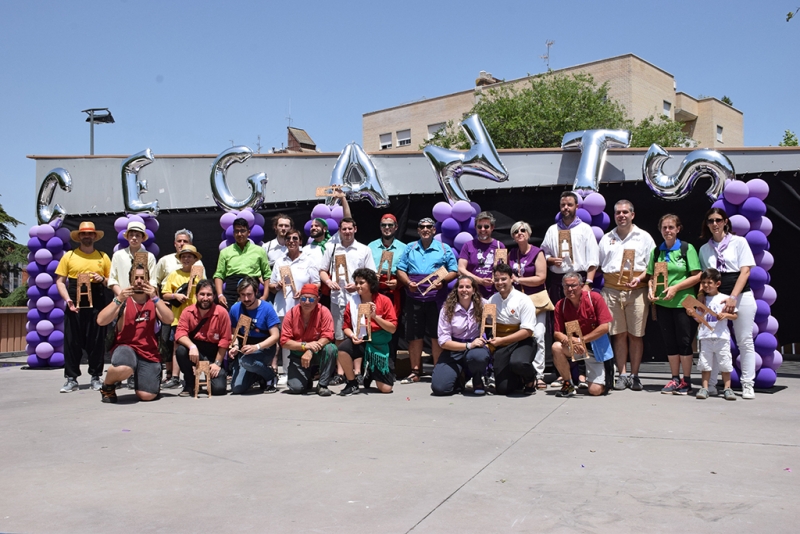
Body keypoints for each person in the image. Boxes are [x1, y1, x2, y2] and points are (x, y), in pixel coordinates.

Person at [698, 208, 757, 400]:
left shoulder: (739, 242)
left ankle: (748, 384)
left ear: (725, 222)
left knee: (744, 340)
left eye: (718, 220)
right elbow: (704, 278)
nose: (714, 224)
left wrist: (733, 297)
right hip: (714, 298)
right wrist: (701, 298)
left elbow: (745, 271)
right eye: (710, 221)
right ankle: (712, 384)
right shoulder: (705, 249)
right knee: (713, 340)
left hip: (739, 295)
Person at [597, 200, 656, 392]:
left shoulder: (644, 237)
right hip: (612, 290)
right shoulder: (607, 238)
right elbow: (597, 264)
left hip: (637, 291)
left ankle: (635, 375)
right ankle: (621, 374)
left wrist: (639, 279)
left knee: (636, 334)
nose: (621, 215)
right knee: (618, 334)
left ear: (633, 215)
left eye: (625, 212)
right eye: (618, 213)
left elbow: (652, 267)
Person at [97, 263, 174, 403]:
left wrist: (155, 298)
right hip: (126, 348)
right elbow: (101, 321)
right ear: (131, 279)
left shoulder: (154, 301)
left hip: (148, 351)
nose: (139, 281)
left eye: (142, 278)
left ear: (148, 280)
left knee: (147, 396)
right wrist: (118, 299)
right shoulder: (123, 301)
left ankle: (142, 377)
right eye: (136, 277)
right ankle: (107, 386)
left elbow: (169, 319)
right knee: (124, 368)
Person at [395, 217, 458, 383]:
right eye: (422, 227)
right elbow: (400, 269)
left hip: (436, 298)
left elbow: (454, 270)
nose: (425, 229)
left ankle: (437, 370)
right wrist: (408, 282)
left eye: (429, 227)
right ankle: (415, 371)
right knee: (414, 335)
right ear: (418, 230)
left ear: (434, 230)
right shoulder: (410, 247)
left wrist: (443, 281)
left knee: (437, 334)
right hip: (414, 297)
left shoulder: (444, 248)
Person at [647, 214, 702, 395]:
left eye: (671, 227)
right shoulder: (657, 252)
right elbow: (651, 277)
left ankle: (686, 381)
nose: (668, 231)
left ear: (678, 229)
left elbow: (697, 276)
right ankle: (674, 378)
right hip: (663, 305)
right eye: (664, 228)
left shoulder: (687, 249)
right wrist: (650, 290)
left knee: (684, 343)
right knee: (669, 343)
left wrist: (675, 288)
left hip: (684, 304)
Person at [54, 221, 111, 393]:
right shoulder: (69, 256)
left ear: (94, 236)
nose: (87, 236)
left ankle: (95, 377)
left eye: (90, 234)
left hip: (97, 299)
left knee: (96, 340)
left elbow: (111, 282)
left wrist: (102, 279)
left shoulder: (103, 257)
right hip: (74, 301)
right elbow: (59, 281)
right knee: (72, 341)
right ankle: (71, 379)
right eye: (84, 234)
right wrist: (67, 300)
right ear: (79, 237)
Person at [153, 229, 205, 386]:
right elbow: (165, 294)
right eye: (184, 256)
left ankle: (196, 376)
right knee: (176, 345)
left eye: (189, 256)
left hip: (196, 315)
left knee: (196, 345)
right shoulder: (174, 274)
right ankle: (175, 377)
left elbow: (205, 291)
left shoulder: (199, 272)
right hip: (178, 315)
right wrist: (176, 296)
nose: (186, 258)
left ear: (195, 258)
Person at [551, 271, 614, 397]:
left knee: (595, 391)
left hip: (596, 348)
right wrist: (571, 341)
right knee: (556, 347)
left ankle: (607, 374)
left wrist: (582, 340)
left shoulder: (594, 298)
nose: (570, 289)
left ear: (581, 285)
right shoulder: (560, 305)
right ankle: (568, 385)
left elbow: (604, 327)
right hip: (576, 346)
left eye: (573, 285)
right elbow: (557, 333)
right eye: (566, 286)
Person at [269, 227, 320, 384]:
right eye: (289, 239)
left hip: (304, 307)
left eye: (295, 238)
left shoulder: (308, 261)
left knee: (304, 337)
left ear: (301, 241)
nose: (291, 241)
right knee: (286, 340)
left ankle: (307, 370)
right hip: (283, 307)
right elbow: (270, 285)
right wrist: (277, 285)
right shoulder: (279, 261)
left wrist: (304, 292)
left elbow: (317, 283)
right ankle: (286, 371)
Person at [337, 268, 398, 396]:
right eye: (356, 282)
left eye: (362, 283)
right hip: (361, 339)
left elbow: (392, 328)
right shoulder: (353, 301)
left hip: (379, 344)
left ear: (370, 283)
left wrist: (375, 317)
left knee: (386, 389)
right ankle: (352, 383)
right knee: (343, 349)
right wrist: (353, 336)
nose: (358, 286)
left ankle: (370, 372)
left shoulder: (384, 300)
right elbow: (346, 327)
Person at [319, 217, 376, 347]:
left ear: (355, 229)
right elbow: (322, 270)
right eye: (344, 229)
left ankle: (357, 367)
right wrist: (329, 282)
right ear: (339, 230)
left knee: (361, 334)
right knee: (339, 335)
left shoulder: (364, 249)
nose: (347, 231)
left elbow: (371, 275)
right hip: (337, 299)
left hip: (359, 299)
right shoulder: (331, 248)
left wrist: (357, 287)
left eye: (350, 228)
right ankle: (340, 367)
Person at [431, 276, 491, 396]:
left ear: (473, 290)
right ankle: (461, 376)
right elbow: (443, 341)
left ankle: (477, 378)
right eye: (461, 287)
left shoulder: (484, 304)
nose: (464, 290)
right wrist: (468, 345)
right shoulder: (447, 308)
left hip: (476, 347)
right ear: (456, 290)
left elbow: (493, 323)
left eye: (468, 287)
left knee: (479, 356)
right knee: (440, 388)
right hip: (454, 348)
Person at [508, 220, 548, 389]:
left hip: (535, 300)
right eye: (516, 231)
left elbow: (541, 277)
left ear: (529, 233)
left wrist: (518, 279)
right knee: (520, 336)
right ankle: (523, 372)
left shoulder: (538, 253)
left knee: (538, 334)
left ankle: (538, 374)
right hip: (516, 301)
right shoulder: (511, 253)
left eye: (523, 230)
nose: (519, 233)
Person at [487, 263, 538, 395]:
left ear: (511, 279)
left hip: (523, 341)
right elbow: (486, 325)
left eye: (503, 279)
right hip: (502, 344)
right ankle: (516, 379)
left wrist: (501, 340)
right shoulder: (491, 300)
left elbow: (527, 331)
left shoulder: (523, 300)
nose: (500, 282)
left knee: (519, 363)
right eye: (497, 279)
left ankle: (530, 378)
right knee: (503, 389)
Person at [174, 279, 230, 397]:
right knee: (181, 350)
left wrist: (217, 363)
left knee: (219, 389)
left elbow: (225, 340)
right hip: (195, 350)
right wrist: (192, 346)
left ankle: (211, 380)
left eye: (209, 295)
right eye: (202, 294)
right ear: (196, 295)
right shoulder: (187, 312)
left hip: (213, 352)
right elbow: (180, 333)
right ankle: (190, 383)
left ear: (214, 296)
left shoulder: (222, 313)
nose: (205, 298)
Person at [280, 284, 338, 396]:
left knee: (331, 348)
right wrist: (305, 346)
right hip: (297, 354)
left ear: (317, 300)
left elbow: (328, 335)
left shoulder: (324, 312)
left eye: (311, 299)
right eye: (303, 298)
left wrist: (310, 350)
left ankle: (322, 384)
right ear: (299, 298)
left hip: (318, 352)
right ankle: (306, 380)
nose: (307, 302)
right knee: (296, 388)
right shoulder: (290, 314)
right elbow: (284, 341)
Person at [541, 191, 599, 301]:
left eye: (569, 205)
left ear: (576, 207)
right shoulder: (552, 230)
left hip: (579, 280)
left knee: (579, 316)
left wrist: (588, 284)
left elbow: (593, 259)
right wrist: (551, 260)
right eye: (563, 205)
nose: (566, 208)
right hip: (557, 282)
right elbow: (543, 254)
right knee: (558, 316)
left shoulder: (585, 229)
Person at [228, 276, 281, 394]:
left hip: (264, 347)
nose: (246, 298)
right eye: (242, 295)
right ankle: (257, 374)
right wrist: (235, 346)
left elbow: (275, 336)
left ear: (256, 292)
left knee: (246, 361)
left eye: (249, 294)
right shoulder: (235, 308)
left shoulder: (267, 308)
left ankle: (270, 375)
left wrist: (256, 347)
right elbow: (233, 334)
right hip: (244, 348)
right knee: (237, 388)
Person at [693, 269, 738, 401]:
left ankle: (727, 388)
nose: (706, 285)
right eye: (704, 282)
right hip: (705, 337)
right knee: (705, 363)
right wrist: (692, 313)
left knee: (725, 363)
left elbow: (735, 315)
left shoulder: (724, 298)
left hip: (721, 337)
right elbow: (699, 318)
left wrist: (725, 315)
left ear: (717, 283)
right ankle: (705, 388)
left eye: (709, 282)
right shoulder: (702, 300)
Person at [368, 213, 407, 361]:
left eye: (390, 225)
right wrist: (372, 278)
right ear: (380, 227)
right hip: (375, 292)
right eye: (384, 225)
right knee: (373, 323)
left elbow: (407, 271)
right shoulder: (371, 247)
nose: (387, 228)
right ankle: (373, 361)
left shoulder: (404, 248)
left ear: (396, 227)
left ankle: (390, 363)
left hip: (394, 292)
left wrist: (400, 283)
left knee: (392, 325)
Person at [213, 218, 271, 308]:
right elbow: (219, 275)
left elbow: (267, 275)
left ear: (248, 232)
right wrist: (220, 295)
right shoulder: (225, 252)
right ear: (233, 233)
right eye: (236, 231)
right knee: (231, 321)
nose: (239, 234)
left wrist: (265, 295)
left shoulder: (259, 251)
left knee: (252, 321)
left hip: (251, 292)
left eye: (242, 231)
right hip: (231, 293)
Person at [458, 211, 505, 299]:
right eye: (479, 226)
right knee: (473, 313)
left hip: (493, 294)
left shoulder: (499, 246)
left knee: (489, 313)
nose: (483, 229)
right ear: (475, 228)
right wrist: (480, 281)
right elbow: (461, 269)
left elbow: (504, 269)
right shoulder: (468, 245)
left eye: (486, 226)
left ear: (492, 228)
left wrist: (495, 279)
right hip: (472, 294)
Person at [107, 221, 157, 295]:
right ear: (127, 237)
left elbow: (153, 280)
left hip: (143, 299)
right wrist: (121, 294)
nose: (134, 238)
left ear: (142, 238)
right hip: (122, 300)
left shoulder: (149, 256)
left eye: (137, 235)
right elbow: (112, 279)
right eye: (131, 235)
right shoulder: (118, 255)